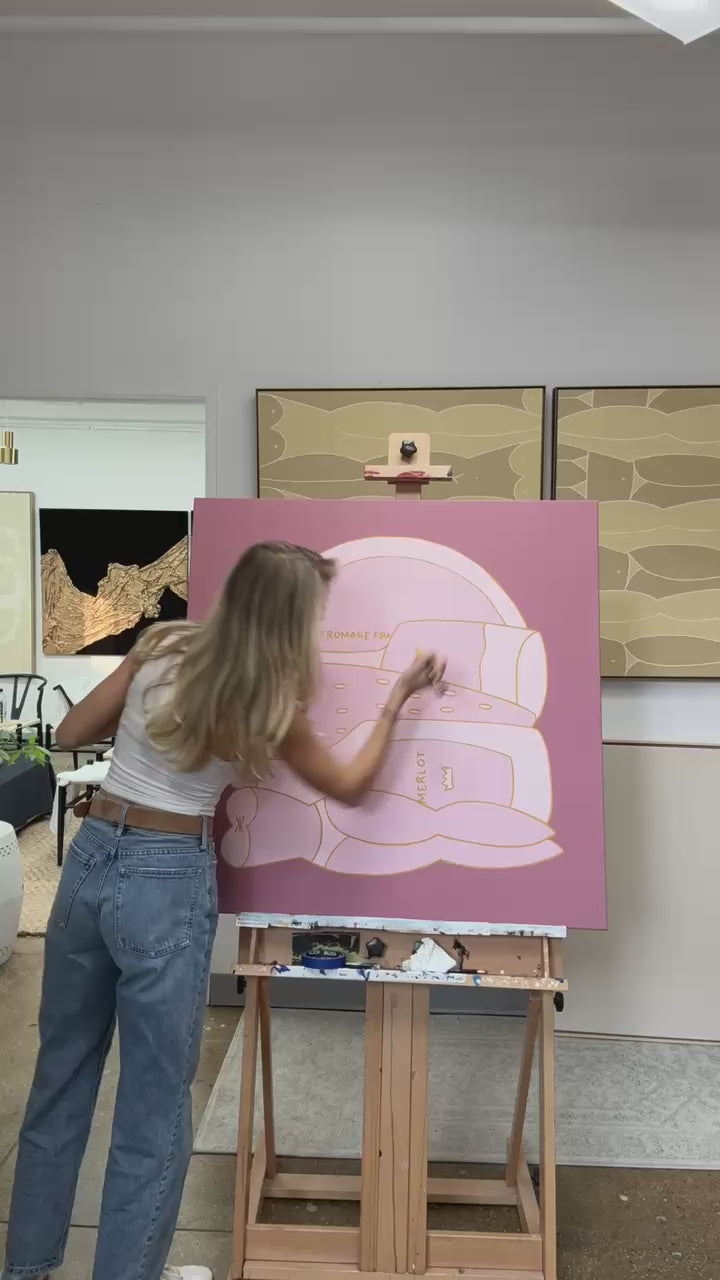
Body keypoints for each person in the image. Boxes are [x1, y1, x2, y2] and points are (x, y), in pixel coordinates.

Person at [2, 541, 446, 1280]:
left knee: (60, 1078)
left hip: (90, 856)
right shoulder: (266, 700)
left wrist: (148, 726)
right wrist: (397, 699)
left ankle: (25, 1269)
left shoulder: (162, 644)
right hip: (165, 875)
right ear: (292, 619)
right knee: (154, 1109)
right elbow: (352, 785)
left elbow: (72, 732)